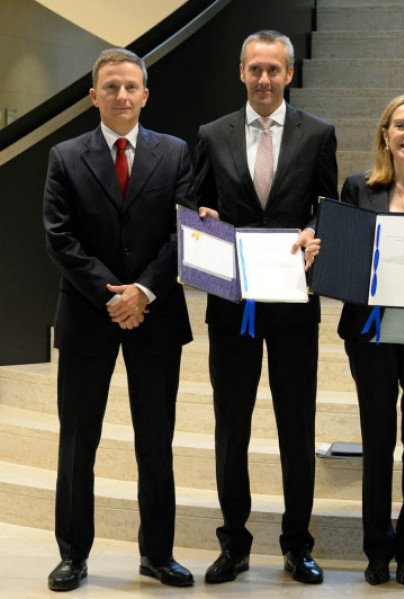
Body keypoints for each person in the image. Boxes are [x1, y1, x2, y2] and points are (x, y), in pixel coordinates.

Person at [187, 30, 337, 584]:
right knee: (233, 427)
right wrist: (201, 218)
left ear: (290, 74)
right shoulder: (212, 134)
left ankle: (298, 544)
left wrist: (314, 233)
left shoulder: (318, 133)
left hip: (294, 304)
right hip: (233, 306)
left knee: (296, 426)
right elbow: (194, 200)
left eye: (274, 70)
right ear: (242, 71)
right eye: (255, 69)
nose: (265, 79)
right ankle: (235, 543)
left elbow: (330, 207)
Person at [42, 48, 194, 591]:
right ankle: (72, 554)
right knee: (79, 440)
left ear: (145, 95)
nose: (122, 96)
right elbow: (60, 237)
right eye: (111, 87)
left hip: (156, 315)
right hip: (88, 315)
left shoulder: (176, 154)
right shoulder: (65, 156)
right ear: (93, 96)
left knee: (156, 441)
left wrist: (144, 291)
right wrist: (113, 295)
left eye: (131, 87)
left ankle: (157, 553)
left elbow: (184, 232)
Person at [305, 94, 404, 587]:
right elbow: (343, 255)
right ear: (385, 135)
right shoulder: (358, 187)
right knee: (377, 444)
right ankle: (377, 552)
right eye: (400, 125)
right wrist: (318, 246)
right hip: (370, 336)